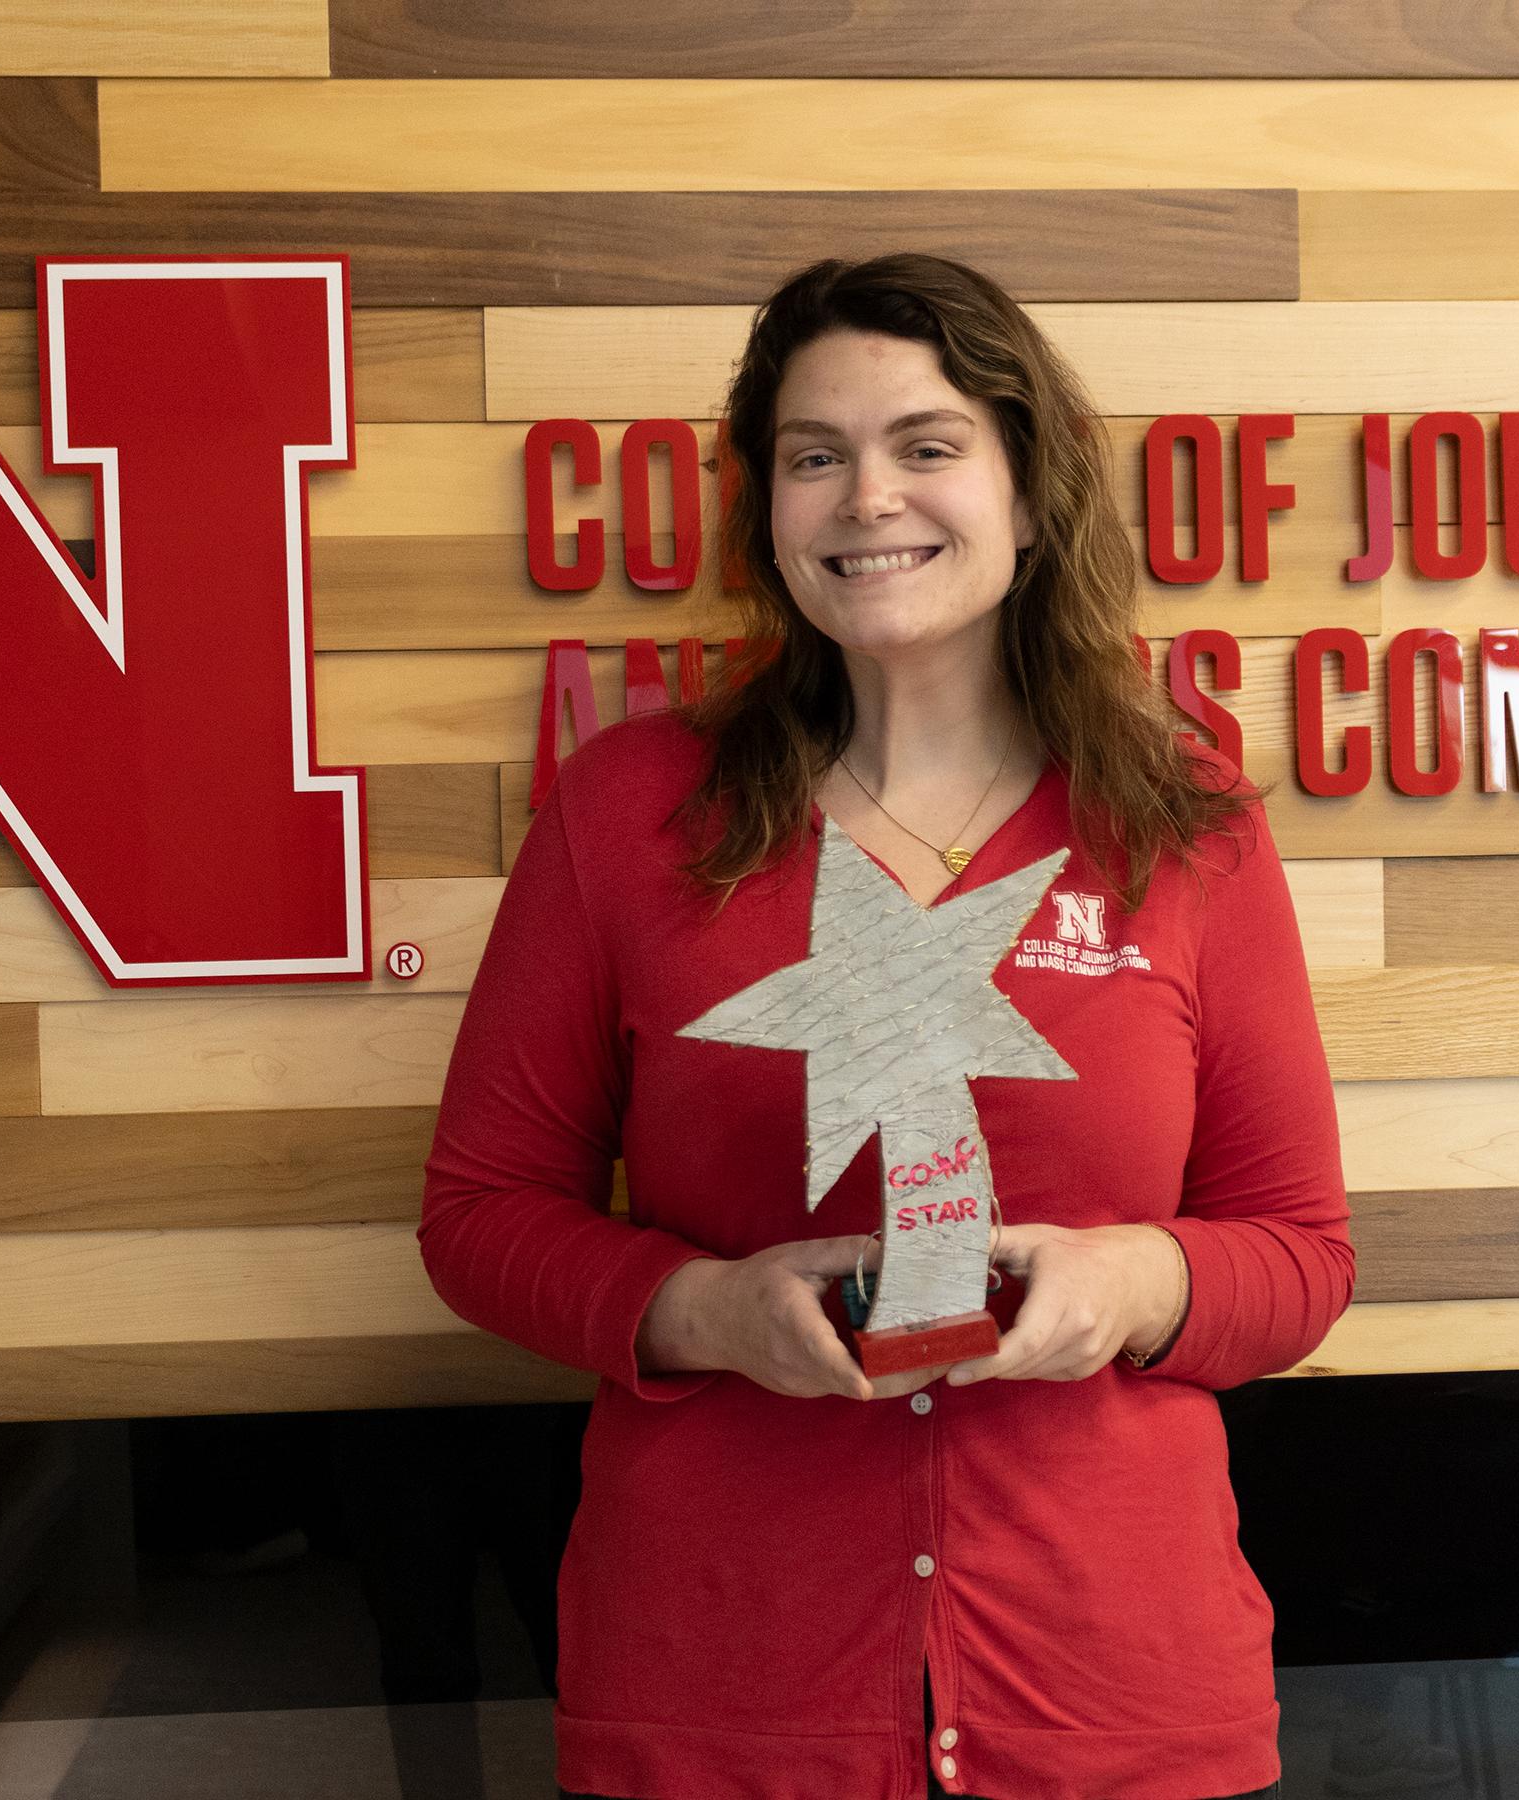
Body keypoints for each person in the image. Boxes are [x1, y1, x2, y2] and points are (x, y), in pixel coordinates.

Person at [420, 253, 1352, 1800]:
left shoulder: (1184, 832)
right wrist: (706, 1313)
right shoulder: (631, 815)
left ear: (1031, 493)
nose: (868, 497)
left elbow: (1302, 1253)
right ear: (768, 509)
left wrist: (1128, 1281)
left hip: (1115, 1697)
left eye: (926, 445)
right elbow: (478, 1218)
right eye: (814, 456)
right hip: (725, 1697)